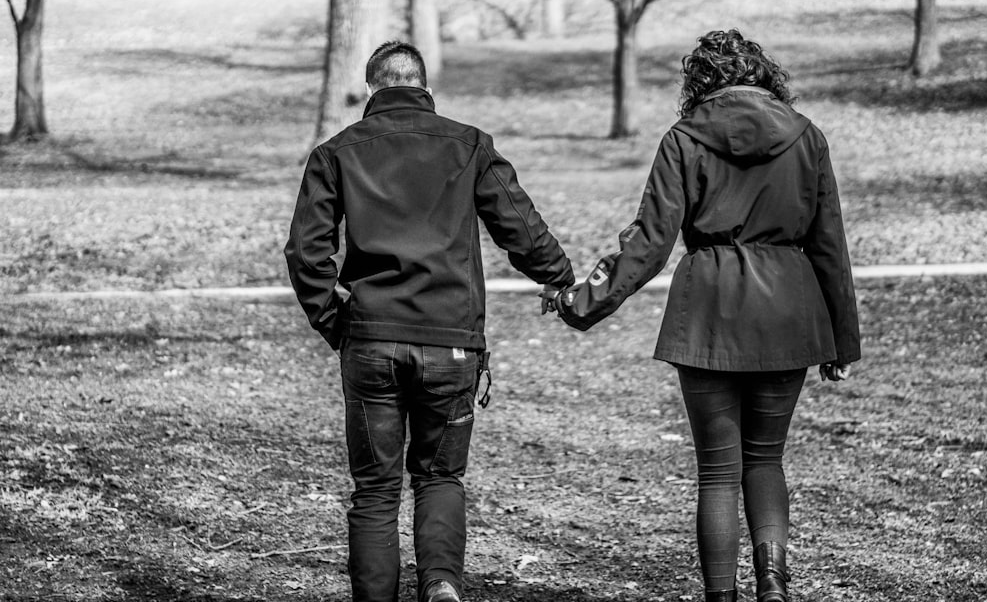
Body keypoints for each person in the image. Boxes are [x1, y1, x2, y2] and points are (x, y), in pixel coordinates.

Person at [543, 29, 861, 602]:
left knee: (717, 471)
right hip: (789, 310)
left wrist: (578, 302)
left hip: (710, 311)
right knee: (766, 460)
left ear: (700, 82)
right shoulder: (807, 137)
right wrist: (844, 341)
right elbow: (830, 243)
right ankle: (773, 587)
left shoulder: (683, 139)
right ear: (764, 76)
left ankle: (722, 596)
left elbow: (649, 241)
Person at [285, 40, 575, 602]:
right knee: (440, 477)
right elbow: (520, 226)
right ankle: (441, 585)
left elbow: (305, 253)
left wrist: (334, 323)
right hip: (451, 343)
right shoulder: (469, 145)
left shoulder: (336, 152)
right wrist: (557, 275)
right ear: (426, 89)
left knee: (374, 489)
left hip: (371, 340)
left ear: (370, 91)